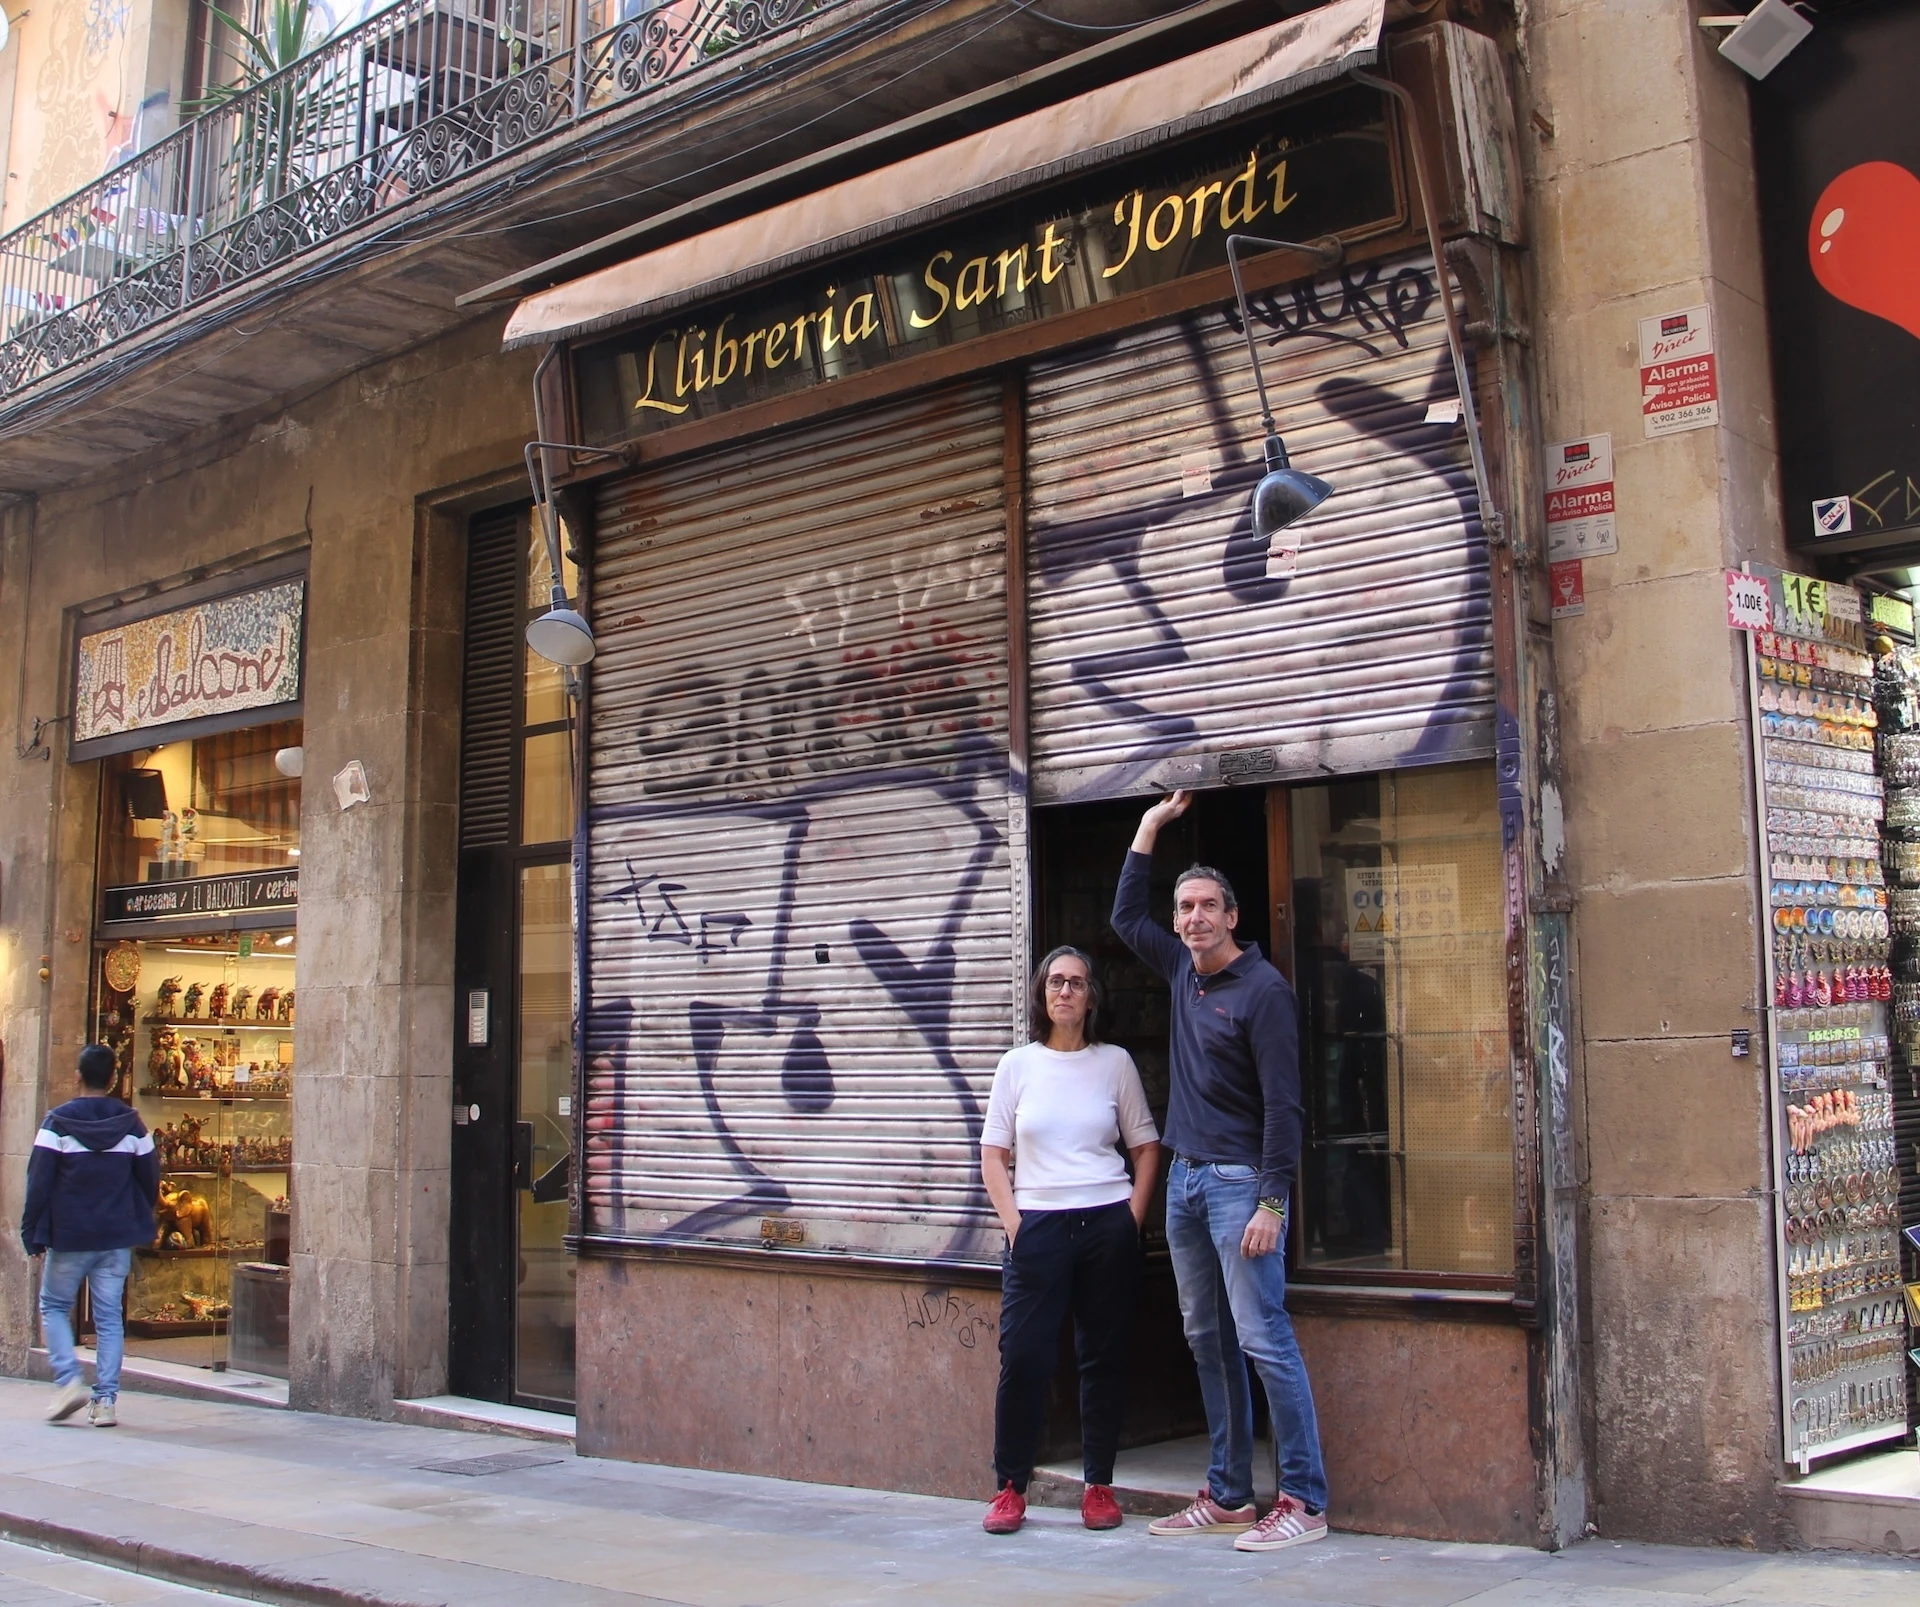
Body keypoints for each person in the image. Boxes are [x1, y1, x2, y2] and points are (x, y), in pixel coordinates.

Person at [1111, 790, 1328, 1553]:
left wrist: (1274, 1201)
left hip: (1240, 1186)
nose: (1193, 917)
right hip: (1185, 1181)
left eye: (1207, 905)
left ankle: (1303, 1497)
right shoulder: (1180, 971)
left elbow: (1285, 1107)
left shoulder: (1262, 991)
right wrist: (1149, 827)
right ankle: (1231, 1492)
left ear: (1233, 916)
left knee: (1263, 1336)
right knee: (1206, 1335)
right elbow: (1123, 918)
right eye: (1184, 906)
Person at [979, 946, 1160, 1535]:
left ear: (1091, 997)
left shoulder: (1115, 1064)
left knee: (1101, 1356)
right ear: (1041, 994)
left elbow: (1145, 1147)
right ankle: (1010, 1486)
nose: (1065, 992)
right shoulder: (1017, 1066)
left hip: (1105, 1220)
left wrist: (1130, 1218)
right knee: (1024, 1357)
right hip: (1037, 1227)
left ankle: (1099, 1485)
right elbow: (993, 1154)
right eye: (1056, 982)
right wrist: (1015, 1224)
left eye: (1077, 983)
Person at [21, 1043, 159, 1426]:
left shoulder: (57, 1123)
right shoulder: (133, 1125)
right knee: (109, 1319)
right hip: (115, 1237)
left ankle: (68, 1382)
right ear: (114, 1079)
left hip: (71, 1235)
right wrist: (133, 1214)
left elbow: (38, 1181)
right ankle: (106, 1402)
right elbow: (150, 1177)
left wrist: (31, 1231)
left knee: (52, 1306)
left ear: (78, 1076)